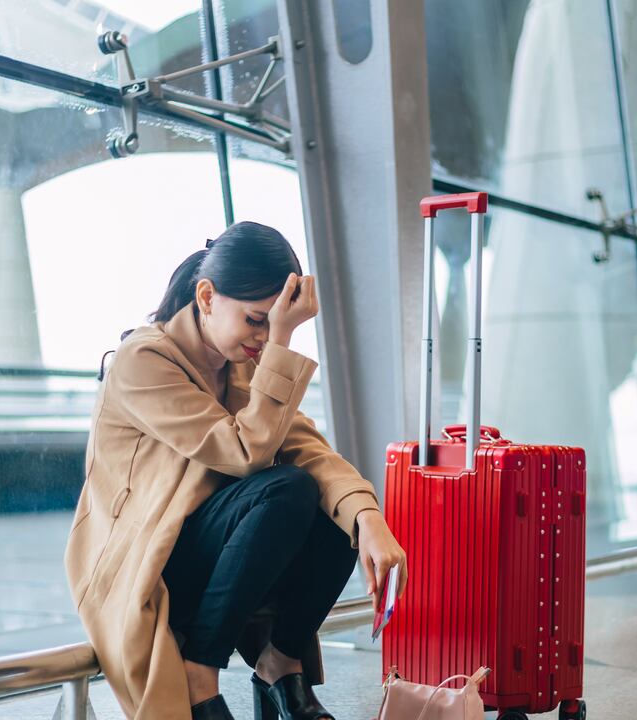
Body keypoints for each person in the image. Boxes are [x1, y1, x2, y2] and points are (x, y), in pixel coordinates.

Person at [65, 221, 409, 720]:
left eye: (276, 324)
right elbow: (244, 451)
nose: (265, 338)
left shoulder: (241, 362)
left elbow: (307, 448)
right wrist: (284, 341)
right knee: (287, 489)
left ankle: (280, 663)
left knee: (333, 508)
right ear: (206, 297)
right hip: (145, 563)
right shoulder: (143, 359)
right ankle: (198, 670)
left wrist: (367, 518)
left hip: (219, 560)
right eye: (256, 320)